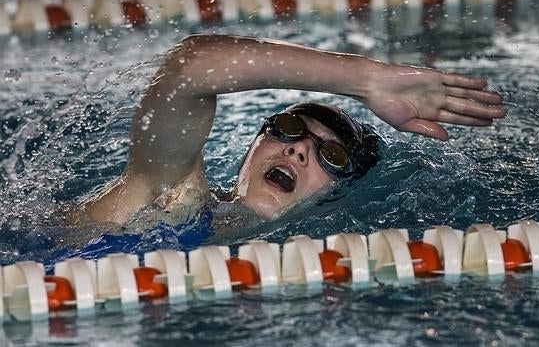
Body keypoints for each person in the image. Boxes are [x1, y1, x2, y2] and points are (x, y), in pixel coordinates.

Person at [84, 34, 506, 225]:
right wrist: (365, 79)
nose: (299, 149)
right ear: (251, 147)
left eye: (331, 156)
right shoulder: (173, 197)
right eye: (286, 128)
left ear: (336, 196)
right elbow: (189, 67)